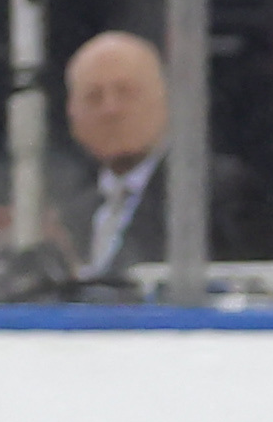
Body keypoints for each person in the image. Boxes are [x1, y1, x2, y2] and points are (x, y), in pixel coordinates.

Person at [43, 31, 176, 280]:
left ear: (164, 102)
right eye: (94, 97)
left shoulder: (209, 197)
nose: (110, 110)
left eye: (126, 93)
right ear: (73, 115)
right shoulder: (72, 215)